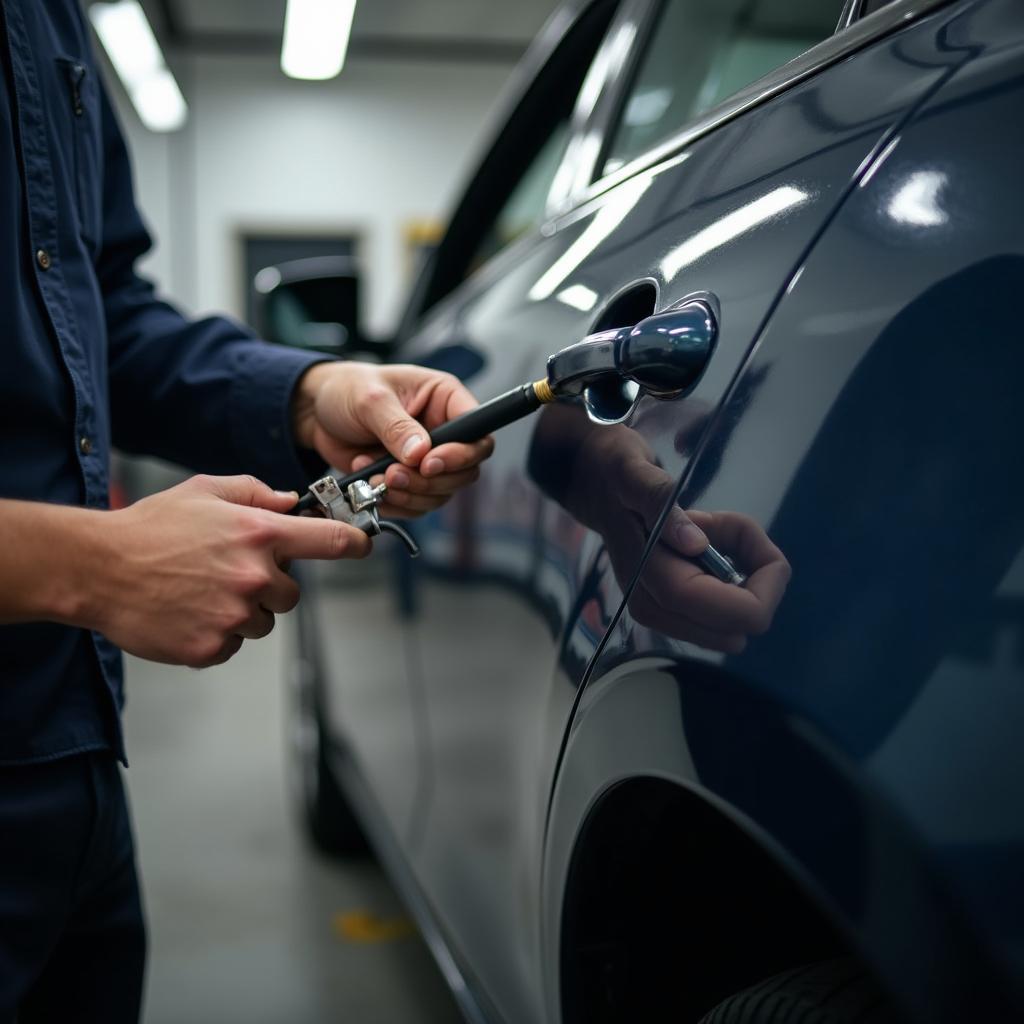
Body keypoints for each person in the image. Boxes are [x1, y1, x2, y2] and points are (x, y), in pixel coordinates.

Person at [0, 1, 491, 1020]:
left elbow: (102, 313)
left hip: (71, 751)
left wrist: (307, 394)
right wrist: (79, 567)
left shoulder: (50, 22)